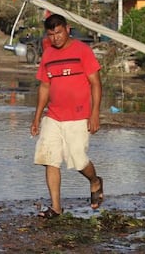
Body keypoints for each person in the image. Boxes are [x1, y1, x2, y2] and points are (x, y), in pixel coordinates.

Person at [30, 14, 104, 218]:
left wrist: (95, 113)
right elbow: (45, 86)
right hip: (53, 116)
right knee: (49, 158)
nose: (56, 38)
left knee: (78, 161)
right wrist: (37, 117)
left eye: (59, 32)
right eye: (51, 34)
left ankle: (95, 181)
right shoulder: (47, 54)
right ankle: (56, 207)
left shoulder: (82, 51)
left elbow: (96, 83)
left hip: (79, 116)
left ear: (67, 29)